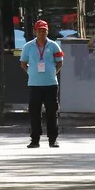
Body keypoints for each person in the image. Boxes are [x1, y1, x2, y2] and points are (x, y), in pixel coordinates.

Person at [19, 19, 64, 148]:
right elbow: (23, 63)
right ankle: (35, 140)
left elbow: (60, 62)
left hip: (50, 84)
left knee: (52, 112)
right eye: (39, 30)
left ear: (47, 31)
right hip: (34, 84)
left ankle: (53, 139)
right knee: (34, 113)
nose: (42, 33)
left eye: (44, 30)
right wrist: (31, 73)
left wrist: (52, 73)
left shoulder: (54, 45)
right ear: (35, 32)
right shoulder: (28, 46)